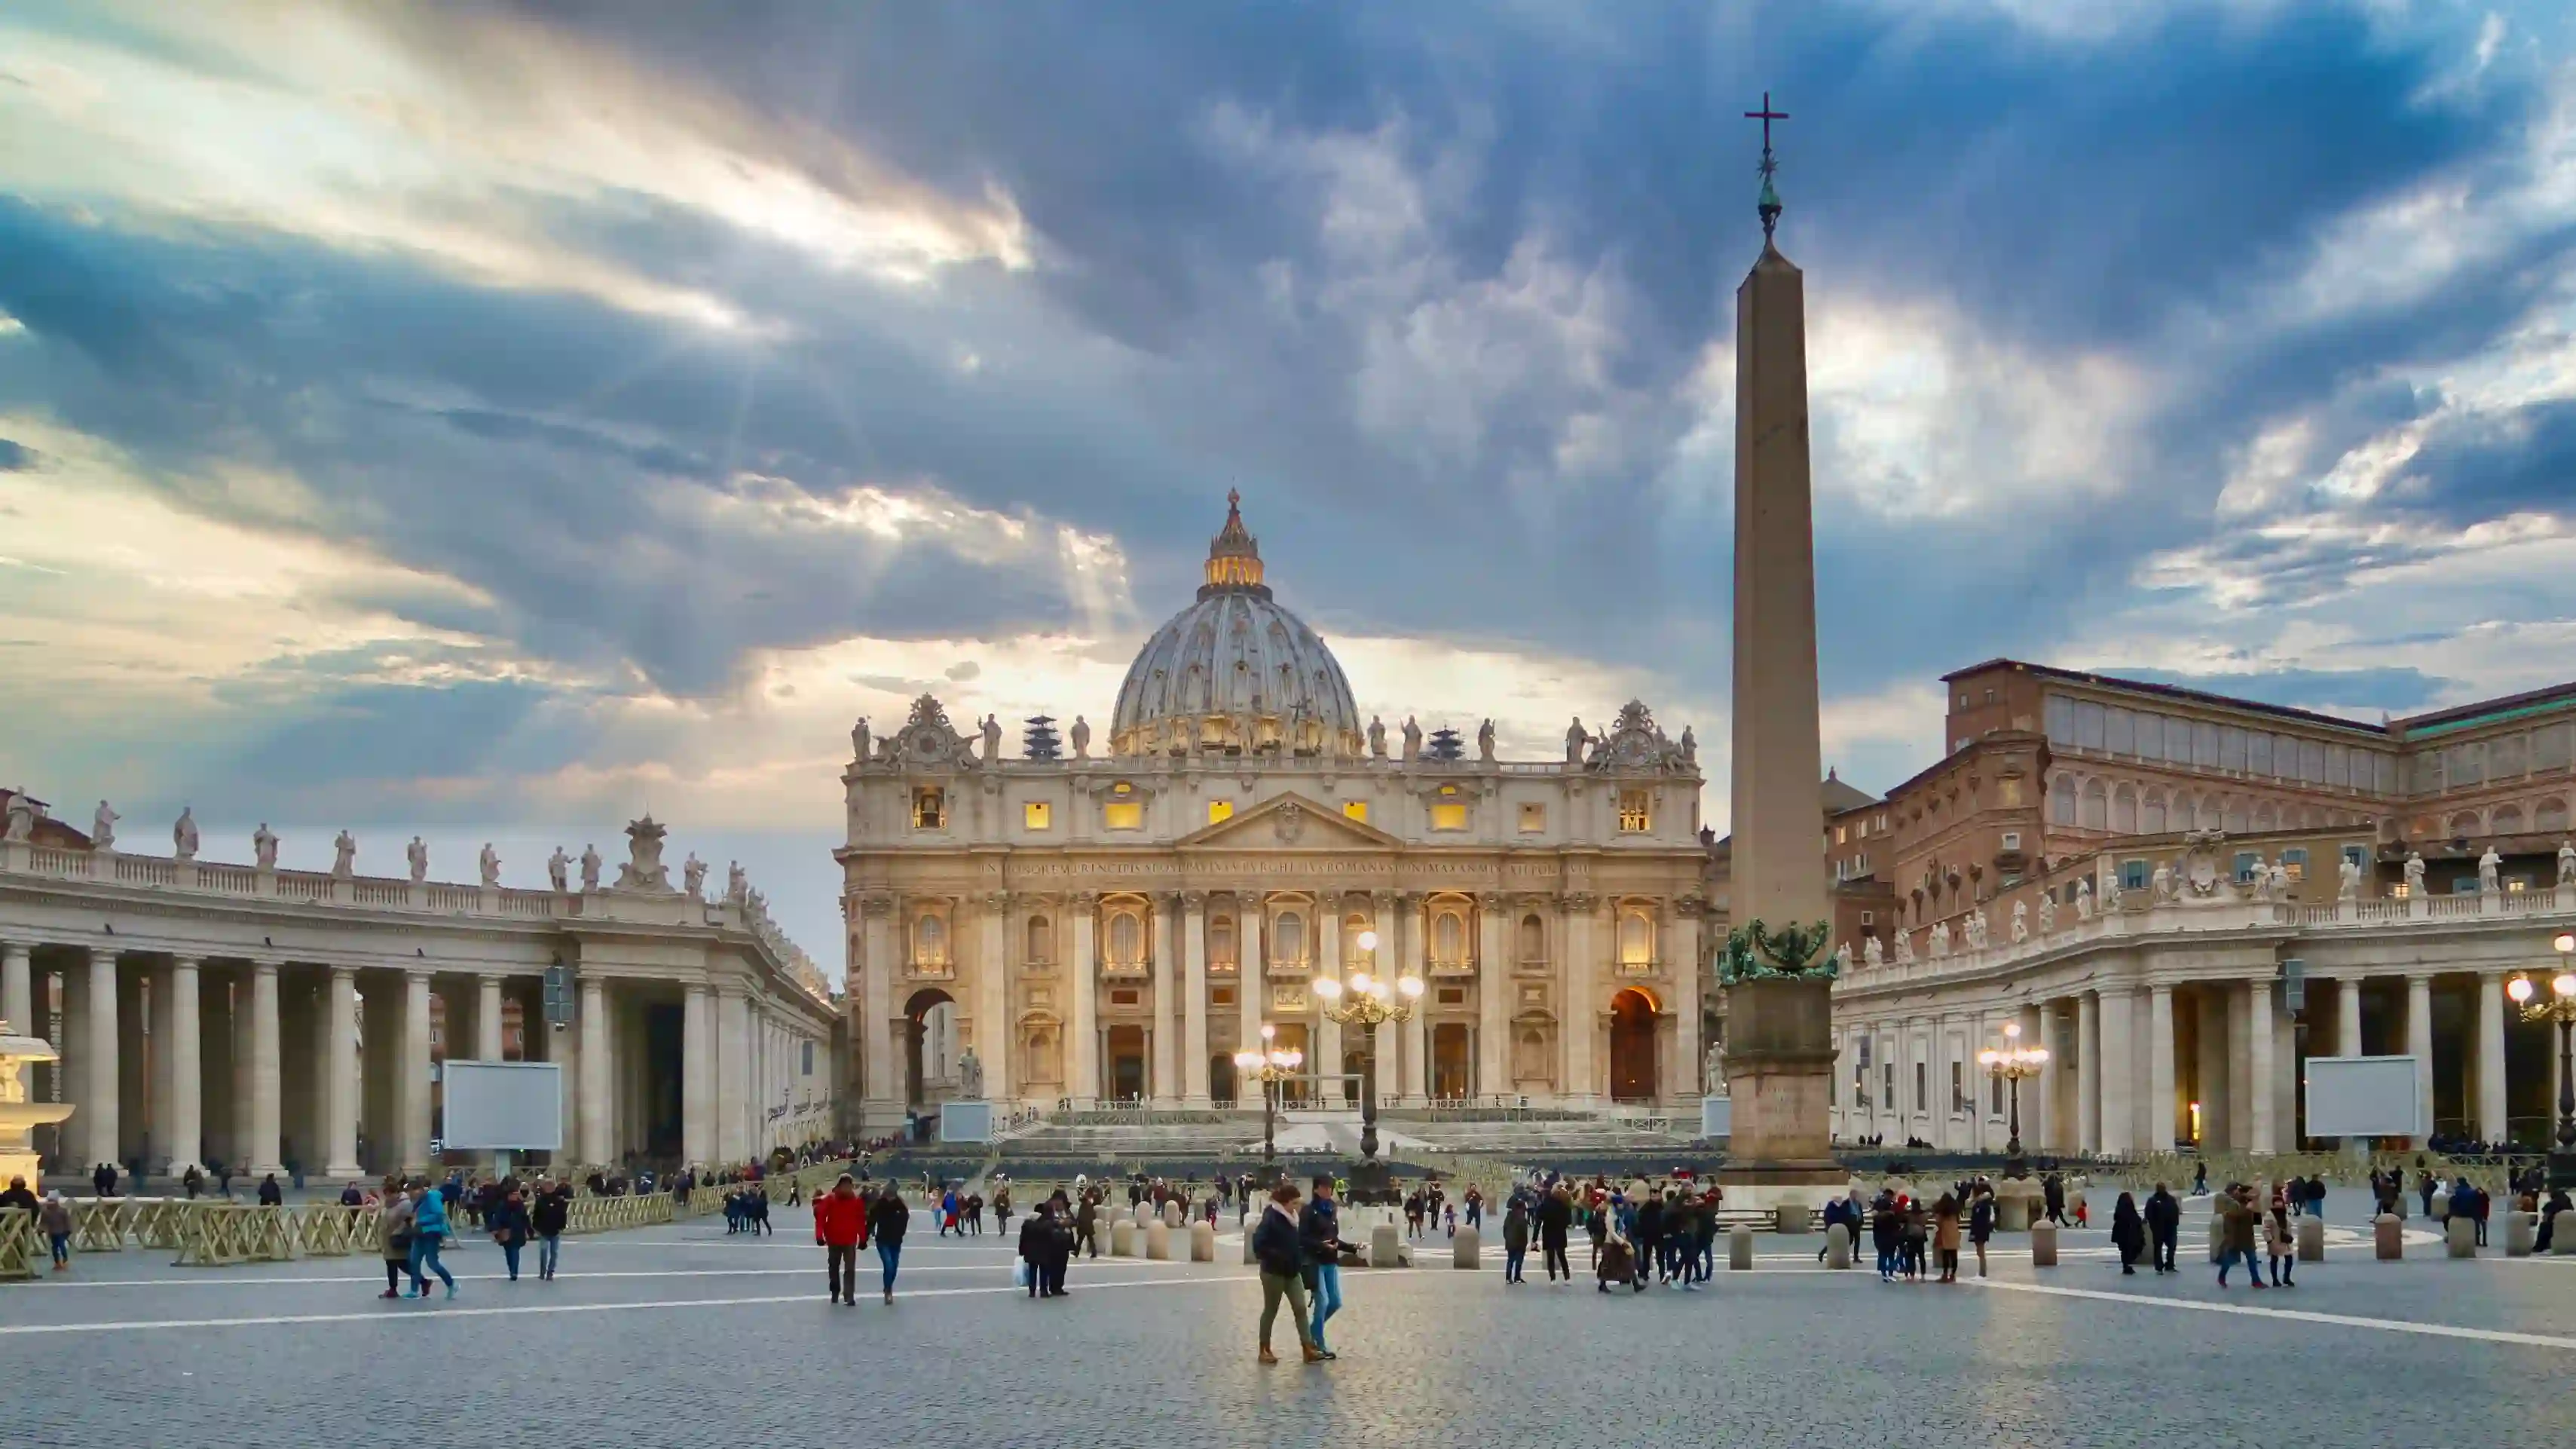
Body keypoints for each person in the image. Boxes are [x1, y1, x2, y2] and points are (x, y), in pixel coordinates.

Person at [1251, 1182, 1323, 1365]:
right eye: (1295, 1203)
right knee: (1271, 1310)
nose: (1298, 1207)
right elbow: (1258, 1245)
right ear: (1285, 1203)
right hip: (1273, 1272)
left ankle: (1308, 1347)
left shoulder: (1294, 1218)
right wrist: (1278, 1256)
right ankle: (1264, 1349)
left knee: (1300, 1308)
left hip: (1292, 1272)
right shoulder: (1271, 1218)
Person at [1302, 1174, 1345, 1359]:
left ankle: (1311, 1331)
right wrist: (1321, 1245)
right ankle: (1318, 1343)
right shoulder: (1309, 1211)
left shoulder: (1332, 1210)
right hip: (1315, 1261)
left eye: (1331, 1188)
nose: (1329, 1191)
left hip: (1331, 1261)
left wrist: (1350, 1247)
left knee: (1335, 1302)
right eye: (1326, 1187)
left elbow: (1334, 1236)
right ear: (1316, 1189)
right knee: (1323, 1302)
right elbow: (1302, 1238)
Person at [815, 1173, 865, 1305]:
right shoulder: (830, 1200)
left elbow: (860, 1220)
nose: (846, 1188)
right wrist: (819, 1235)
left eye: (849, 1185)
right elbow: (821, 1218)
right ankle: (835, 1290)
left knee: (850, 1268)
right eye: (844, 1185)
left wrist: (863, 1238)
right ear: (839, 1185)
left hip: (850, 1239)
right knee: (833, 1266)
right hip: (833, 1239)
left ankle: (849, 1295)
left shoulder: (856, 1202)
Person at [406, 1180, 457, 1299]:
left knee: (432, 1263)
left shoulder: (431, 1197)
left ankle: (451, 1284)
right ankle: (414, 1290)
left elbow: (438, 1214)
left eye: (411, 1192)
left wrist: (419, 1221)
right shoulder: (417, 1200)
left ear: (418, 1190)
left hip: (431, 1233)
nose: (409, 1195)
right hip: (419, 1233)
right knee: (414, 1261)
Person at [2216, 1184, 2265, 1290]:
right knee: (2229, 1260)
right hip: (2237, 1238)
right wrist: (2247, 1209)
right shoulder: (2236, 1204)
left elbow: (2256, 1220)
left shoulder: (2250, 1205)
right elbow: (2232, 1216)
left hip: (2247, 1237)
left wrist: (2255, 1211)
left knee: (2252, 1260)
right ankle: (2222, 1276)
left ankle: (2256, 1281)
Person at [871, 1181, 908, 1303]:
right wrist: (866, 1234)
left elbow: (905, 1219)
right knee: (889, 1265)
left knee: (894, 1267)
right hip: (883, 1239)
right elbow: (871, 1219)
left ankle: (888, 1287)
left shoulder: (900, 1205)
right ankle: (888, 1290)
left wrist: (901, 1232)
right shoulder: (880, 1204)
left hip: (896, 1241)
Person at [378, 1184, 415, 1298]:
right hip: (388, 1238)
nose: (387, 1197)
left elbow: (410, 1220)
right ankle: (393, 1289)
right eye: (386, 1195)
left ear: (395, 1193)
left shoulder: (405, 1204)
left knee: (402, 1264)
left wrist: (400, 1230)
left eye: (389, 1195)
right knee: (392, 1263)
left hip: (398, 1238)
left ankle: (423, 1281)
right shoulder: (388, 1205)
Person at [487, 1184, 531, 1282]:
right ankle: (512, 1269)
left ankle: (514, 1271)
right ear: (509, 1195)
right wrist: (496, 1229)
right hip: (505, 1231)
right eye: (513, 1194)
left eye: (516, 1194)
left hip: (518, 1231)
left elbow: (525, 1219)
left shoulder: (520, 1206)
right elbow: (497, 1218)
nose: (515, 1196)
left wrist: (529, 1230)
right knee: (508, 1252)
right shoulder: (502, 1205)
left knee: (515, 1251)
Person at [531, 1179, 569, 1282]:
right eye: (547, 1186)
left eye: (551, 1186)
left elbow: (563, 1215)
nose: (549, 1188)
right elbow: (536, 1215)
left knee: (554, 1253)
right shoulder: (540, 1200)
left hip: (555, 1230)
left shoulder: (559, 1200)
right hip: (543, 1230)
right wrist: (536, 1228)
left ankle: (550, 1272)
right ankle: (542, 1271)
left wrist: (562, 1227)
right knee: (543, 1252)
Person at [1536, 1184, 1574, 1284]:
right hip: (1560, 1232)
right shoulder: (1564, 1204)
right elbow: (1568, 1221)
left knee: (1550, 1256)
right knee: (1562, 1256)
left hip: (1548, 1231)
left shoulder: (1546, 1203)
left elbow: (1539, 1216)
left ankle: (1553, 1278)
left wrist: (1535, 1237)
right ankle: (1567, 1277)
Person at [2144, 1181, 2181, 1275]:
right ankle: (2159, 1266)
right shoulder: (2153, 1200)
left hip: (2171, 1227)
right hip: (2158, 1227)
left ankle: (2170, 1264)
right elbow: (2148, 1213)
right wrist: (2153, 1225)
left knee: (2172, 1246)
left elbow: (2176, 1211)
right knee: (2158, 1247)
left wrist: (2175, 1222)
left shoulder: (2171, 1199)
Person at [2110, 1191, 2144, 1276]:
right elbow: (2135, 1219)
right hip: (2130, 1233)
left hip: (2121, 1234)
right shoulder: (2130, 1208)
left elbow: (2117, 1219)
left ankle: (2126, 1265)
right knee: (2131, 1250)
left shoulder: (2119, 1209)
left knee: (2124, 1251)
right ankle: (2128, 1265)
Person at [39, 1190, 73, 1273]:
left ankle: (64, 1261)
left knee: (61, 1246)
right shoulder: (46, 1212)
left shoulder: (61, 1211)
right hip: (53, 1232)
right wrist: (41, 1229)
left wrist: (68, 1230)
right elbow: (43, 1222)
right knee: (55, 1248)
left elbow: (67, 1221)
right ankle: (58, 1262)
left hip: (62, 1231)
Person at [2265, 1199, 2296, 1288]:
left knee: (2289, 1258)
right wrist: (2269, 1240)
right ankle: (2275, 1280)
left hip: (2285, 1241)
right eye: (2277, 1205)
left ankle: (2286, 1277)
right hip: (2275, 1240)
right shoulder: (2269, 1215)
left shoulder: (2286, 1214)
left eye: (2280, 1205)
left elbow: (2290, 1224)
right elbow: (2266, 1230)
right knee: (2274, 1259)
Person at [1932, 1193, 1963, 1284]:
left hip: (1945, 1230)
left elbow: (1939, 1222)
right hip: (1954, 1229)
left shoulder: (1943, 1211)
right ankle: (1953, 1275)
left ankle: (1945, 1275)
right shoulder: (1955, 1210)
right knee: (1954, 1254)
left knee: (1945, 1254)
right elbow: (1959, 1220)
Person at [1501, 1194, 1530, 1284]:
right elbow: (1524, 1232)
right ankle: (1517, 1277)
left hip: (1510, 1242)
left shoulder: (1509, 1216)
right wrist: (1525, 1242)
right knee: (1519, 1260)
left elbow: (1505, 1229)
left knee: (1510, 1260)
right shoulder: (1522, 1219)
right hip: (1520, 1242)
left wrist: (1507, 1238)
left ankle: (1508, 1278)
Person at [1967, 1187, 1996, 1278]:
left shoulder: (1982, 1204)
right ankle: (1981, 1272)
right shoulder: (1981, 1203)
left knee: (1981, 1251)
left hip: (1980, 1230)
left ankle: (1982, 1273)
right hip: (1980, 1229)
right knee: (1980, 1251)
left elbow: (1979, 1218)